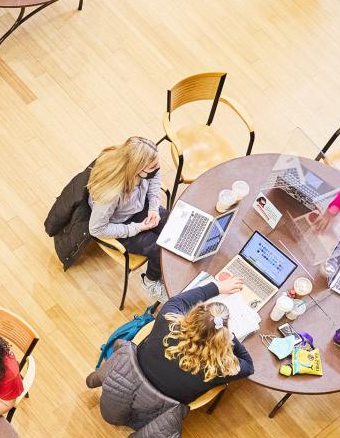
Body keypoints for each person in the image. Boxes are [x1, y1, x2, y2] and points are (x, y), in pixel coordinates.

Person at [138, 272, 255, 404]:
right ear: (221, 335)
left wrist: (217, 287)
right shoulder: (219, 366)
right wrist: (231, 337)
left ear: (194, 313)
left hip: (138, 370)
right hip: (169, 402)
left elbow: (179, 300)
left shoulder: (168, 318)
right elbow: (249, 366)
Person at [86, 137, 167, 302]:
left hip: (138, 207)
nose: (157, 168)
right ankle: (151, 282)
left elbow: (154, 179)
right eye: (153, 166)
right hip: (119, 224)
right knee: (159, 249)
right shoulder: (111, 193)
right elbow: (96, 229)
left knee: (173, 227)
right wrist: (136, 228)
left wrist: (153, 207)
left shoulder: (149, 168)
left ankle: (172, 267)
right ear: (136, 167)